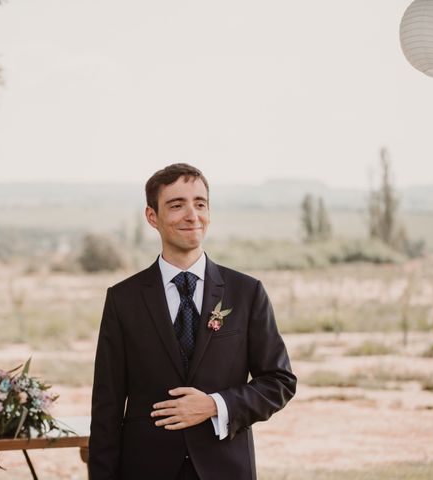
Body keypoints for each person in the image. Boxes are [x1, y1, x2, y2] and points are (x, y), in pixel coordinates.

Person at [89, 163, 296, 480]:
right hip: (145, 469)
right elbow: (107, 405)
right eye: (176, 205)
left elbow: (279, 381)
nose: (191, 215)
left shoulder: (246, 292)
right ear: (152, 217)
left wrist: (216, 405)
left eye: (200, 204)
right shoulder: (123, 299)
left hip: (225, 469)